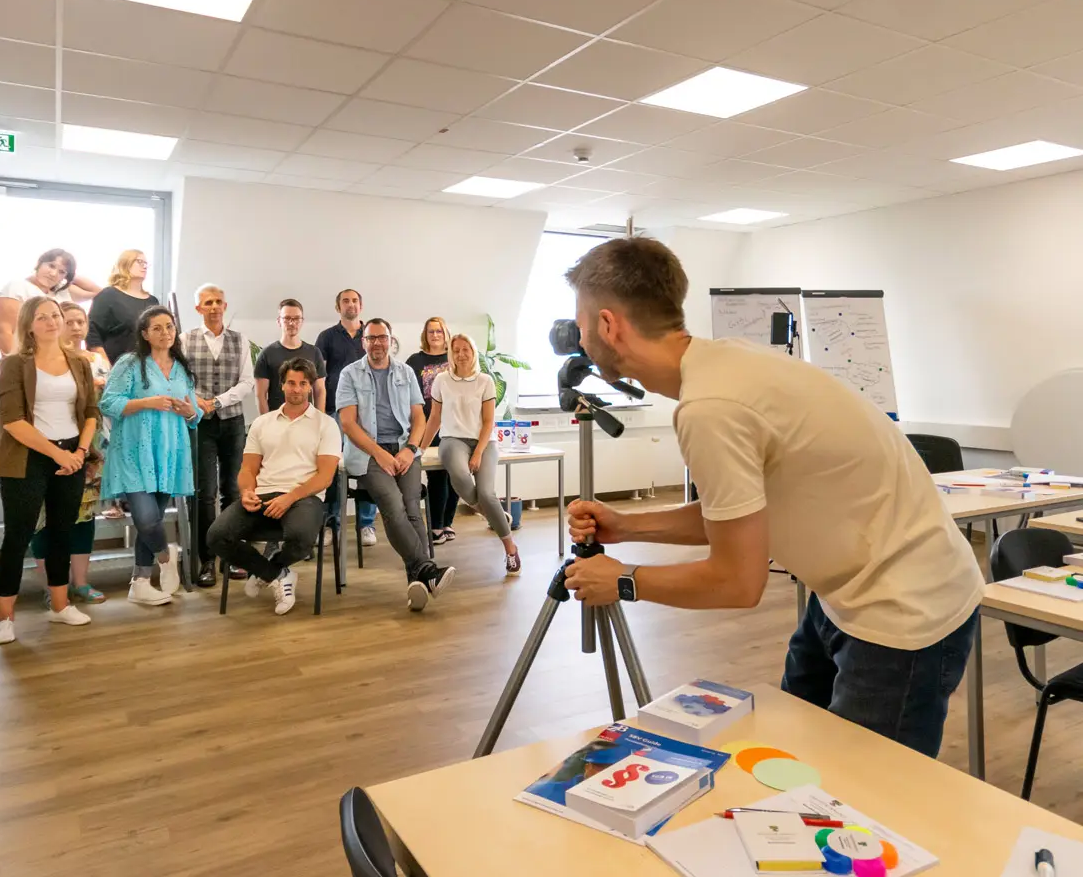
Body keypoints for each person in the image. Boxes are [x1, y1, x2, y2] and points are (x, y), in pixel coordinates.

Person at [560, 237, 983, 757]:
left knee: (867, 800)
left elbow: (738, 581)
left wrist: (625, 581)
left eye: (579, 322)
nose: (576, 336)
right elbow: (738, 516)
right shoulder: (728, 363)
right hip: (845, 593)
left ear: (608, 325)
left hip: (903, 610)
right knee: (793, 757)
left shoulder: (709, 407)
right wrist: (629, 527)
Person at [0, 298, 100, 645]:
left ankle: (61, 605)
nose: (52, 321)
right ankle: (5, 618)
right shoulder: (14, 364)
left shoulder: (79, 362)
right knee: (18, 536)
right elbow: (12, 421)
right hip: (28, 457)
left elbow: (91, 412)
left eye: (56, 315)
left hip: (72, 455)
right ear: (29, 324)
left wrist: (79, 452)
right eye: (43, 317)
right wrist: (57, 455)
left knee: (62, 533)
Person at [336, 319, 457, 612]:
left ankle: (418, 579)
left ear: (391, 340)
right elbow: (349, 424)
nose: (377, 343)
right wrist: (379, 453)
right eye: (371, 338)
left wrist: (410, 449)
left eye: (383, 338)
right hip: (367, 454)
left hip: (405, 450)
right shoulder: (350, 374)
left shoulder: (405, 372)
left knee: (413, 509)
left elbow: (419, 418)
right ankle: (428, 571)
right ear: (363, 342)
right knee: (393, 505)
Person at [207, 359, 341, 616]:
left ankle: (272, 568)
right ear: (282, 385)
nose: (296, 389)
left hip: (304, 496)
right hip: (262, 495)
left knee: (302, 538)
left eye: (303, 383)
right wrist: (247, 492)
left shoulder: (326, 424)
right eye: (291, 382)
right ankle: (276, 574)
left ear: (310, 387)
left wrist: (289, 498)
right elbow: (247, 470)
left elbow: (325, 477)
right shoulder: (262, 423)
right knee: (216, 536)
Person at [100, 306, 203, 606]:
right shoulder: (130, 363)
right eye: (156, 328)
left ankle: (140, 582)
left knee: (154, 517)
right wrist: (148, 402)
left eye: (169, 326)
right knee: (146, 519)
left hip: (169, 449)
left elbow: (193, 414)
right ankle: (166, 555)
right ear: (144, 334)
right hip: (133, 449)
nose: (165, 332)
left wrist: (190, 412)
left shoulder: (182, 368)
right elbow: (109, 402)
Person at [417, 333, 521, 576]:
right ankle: (489, 513)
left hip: (484, 441)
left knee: (486, 492)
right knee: (461, 478)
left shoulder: (485, 380)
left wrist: (478, 453)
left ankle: (510, 549)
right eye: (456, 350)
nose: (461, 354)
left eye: (466, 350)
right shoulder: (442, 380)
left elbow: (487, 422)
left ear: (474, 353)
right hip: (452, 440)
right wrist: (420, 448)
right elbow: (434, 418)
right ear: (451, 354)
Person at [27, 301, 108, 605]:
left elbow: (106, 404)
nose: (75, 327)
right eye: (68, 321)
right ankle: (52, 586)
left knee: (83, 517)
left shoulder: (99, 361)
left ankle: (81, 582)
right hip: (44, 446)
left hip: (89, 450)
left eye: (80, 321)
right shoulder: (39, 360)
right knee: (44, 519)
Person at [183, 284, 255, 588]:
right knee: (204, 492)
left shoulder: (240, 340)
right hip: (201, 424)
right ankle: (207, 560)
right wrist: (198, 400)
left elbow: (247, 382)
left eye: (219, 302)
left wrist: (216, 402)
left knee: (233, 491)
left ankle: (231, 555)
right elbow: (182, 379)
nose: (214, 306)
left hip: (232, 422)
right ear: (199, 308)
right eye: (208, 302)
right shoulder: (185, 339)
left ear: (225, 306)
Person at [316, 288, 378, 547]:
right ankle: (332, 523)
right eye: (345, 301)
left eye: (354, 301)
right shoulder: (327, 337)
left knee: (366, 469)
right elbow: (319, 379)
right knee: (332, 470)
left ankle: (366, 524)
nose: (350, 304)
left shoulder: (372, 335)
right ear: (337, 306)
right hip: (334, 413)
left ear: (361, 306)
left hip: (367, 416)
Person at [406, 316, 459, 546]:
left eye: (439, 331)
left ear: (445, 333)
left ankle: (447, 523)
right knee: (437, 475)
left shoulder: (455, 358)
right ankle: (436, 526)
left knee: (456, 475)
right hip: (427, 425)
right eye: (431, 332)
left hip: (455, 425)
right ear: (425, 335)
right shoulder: (415, 361)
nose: (435, 335)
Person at [0, 248, 99, 356]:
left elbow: (97, 292)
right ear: (40, 263)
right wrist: (17, 364)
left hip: (61, 359)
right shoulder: (17, 287)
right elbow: (3, 331)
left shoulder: (62, 291)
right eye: (51, 266)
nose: (53, 273)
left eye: (61, 272)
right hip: (29, 358)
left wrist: (70, 273)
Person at [87, 249, 160, 363]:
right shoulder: (108, 295)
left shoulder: (153, 301)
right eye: (139, 261)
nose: (144, 266)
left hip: (146, 367)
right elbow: (92, 332)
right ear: (125, 263)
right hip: (114, 365)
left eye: (146, 263)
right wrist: (104, 364)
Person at [255, 298, 327, 413]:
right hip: (277, 420)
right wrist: (265, 423)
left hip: (307, 420)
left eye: (297, 318)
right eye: (287, 318)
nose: (292, 323)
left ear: (302, 321)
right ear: (279, 321)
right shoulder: (267, 354)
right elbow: (260, 395)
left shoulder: (314, 352)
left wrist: (320, 421)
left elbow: (320, 391)